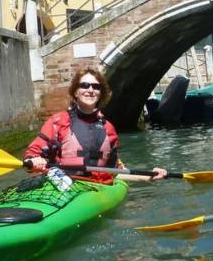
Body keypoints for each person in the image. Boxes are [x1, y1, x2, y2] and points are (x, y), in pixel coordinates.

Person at [25, 66, 167, 183]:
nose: (91, 90)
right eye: (85, 85)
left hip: (98, 189)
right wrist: (34, 161)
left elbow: (115, 172)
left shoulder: (108, 128)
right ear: (75, 92)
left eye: (96, 87)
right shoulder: (58, 122)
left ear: (100, 93)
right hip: (63, 186)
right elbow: (32, 155)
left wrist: (149, 176)